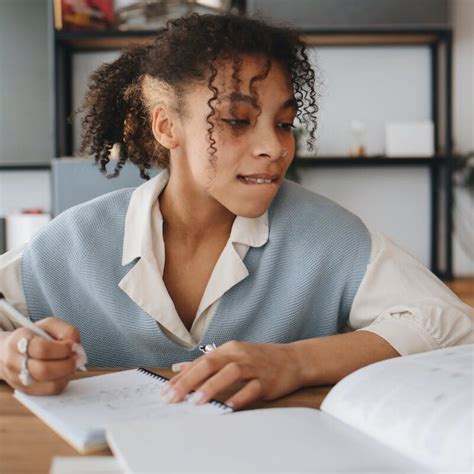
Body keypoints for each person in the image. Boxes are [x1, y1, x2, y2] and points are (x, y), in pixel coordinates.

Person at [0, 14, 472, 409]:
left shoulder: (330, 236)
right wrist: (11, 350)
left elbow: (449, 324)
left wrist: (293, 362)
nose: (275, 147)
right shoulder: (73, 241)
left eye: (284, 123)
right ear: (167, 126)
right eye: (236, 120)